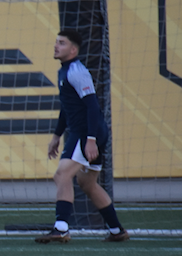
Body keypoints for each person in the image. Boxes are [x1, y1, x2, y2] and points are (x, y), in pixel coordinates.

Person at [37, 30, 129, 243]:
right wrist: (56, 135)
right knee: (87, 183)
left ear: (73, 49)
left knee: (62, 175)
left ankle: (61, 229)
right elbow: (67, 107)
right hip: (88, 133)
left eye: (61, 43)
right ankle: (117, 231)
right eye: (56, 42)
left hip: (87, 133)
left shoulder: (76, 71)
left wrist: (90, 139)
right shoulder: (64, 71)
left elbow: (92, 106)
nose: (56, 46)